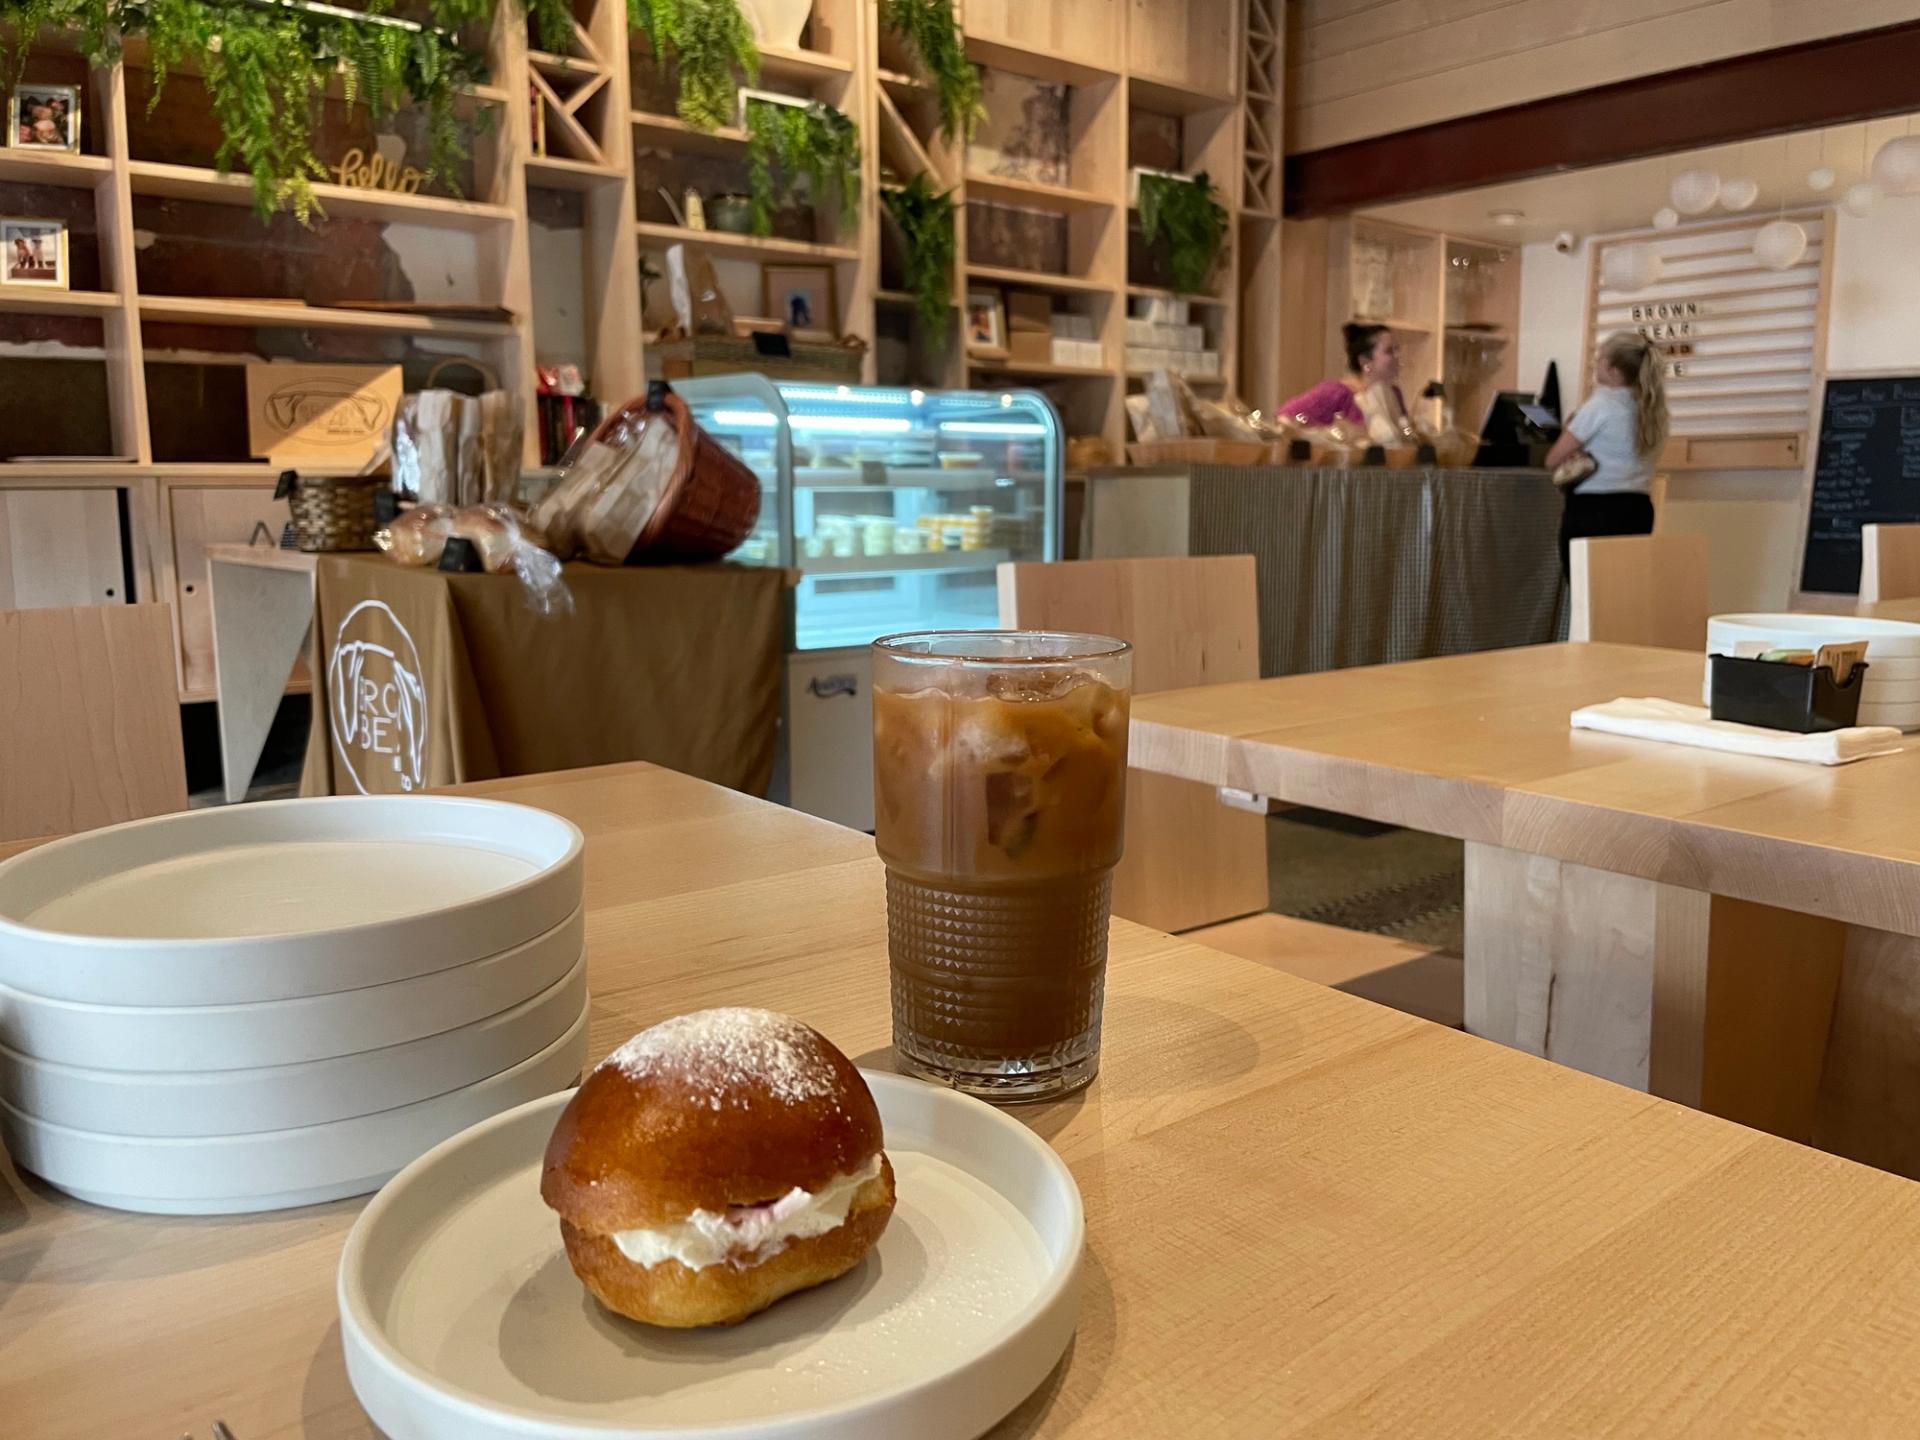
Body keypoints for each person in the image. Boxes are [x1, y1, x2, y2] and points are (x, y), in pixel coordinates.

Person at [1546, 330, 1669, 569]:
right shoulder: (1656, 413)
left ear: (1613, 371)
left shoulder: (1601, 405)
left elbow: (1553, 459)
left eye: (1599, 360)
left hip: (1593, 513)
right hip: (1639, 510)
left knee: (1588, 597)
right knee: (1622, 591)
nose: (1595, 365)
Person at [1279, 322, 1415, 441]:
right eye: (1389, 351)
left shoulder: (1394, 394)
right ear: (1365, 361)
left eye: (1397, 349)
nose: (1398, 356)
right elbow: (1285, 416)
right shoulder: (1336, 393)